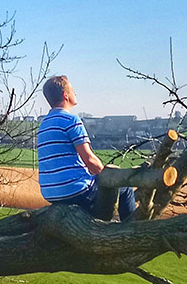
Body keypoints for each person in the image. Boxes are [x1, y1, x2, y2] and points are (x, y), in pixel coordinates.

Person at [37, 75, 136, 221]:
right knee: (125, 189)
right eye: (72, 90)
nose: (75, 93)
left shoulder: (43, 125)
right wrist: (107, 177)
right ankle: (133, 229)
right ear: (65, 95)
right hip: (76, 190)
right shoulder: (72, 120)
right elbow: (89, 159)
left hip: (50, 193)